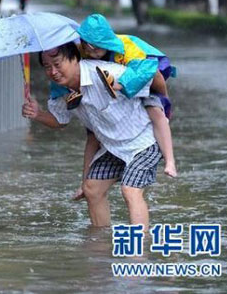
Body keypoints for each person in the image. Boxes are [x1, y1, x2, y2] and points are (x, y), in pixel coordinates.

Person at [22, 42, 163, 229]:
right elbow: (60, 121)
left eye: (57, 64)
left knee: (130, 190)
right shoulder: (62, 90)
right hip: (112, 147)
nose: (53, 72)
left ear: (75, 59)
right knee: (91, 189)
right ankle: (100, 243)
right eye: (47, 67)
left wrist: (165, 102)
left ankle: (139, 250)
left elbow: (151, 76)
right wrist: (38, 114)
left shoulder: (105, 73)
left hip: (143, 141)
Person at [54, 13, 177, 178]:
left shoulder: (126, 46)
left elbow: (151, 73)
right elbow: (70, 73)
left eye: (97, 48)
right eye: (87, 47)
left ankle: (170, 161)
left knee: (155, 109)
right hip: (107, 88)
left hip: (143, 75)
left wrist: (122, 85)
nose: (91, 52)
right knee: (92, 130)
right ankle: (86, 181)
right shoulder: (79, 50)